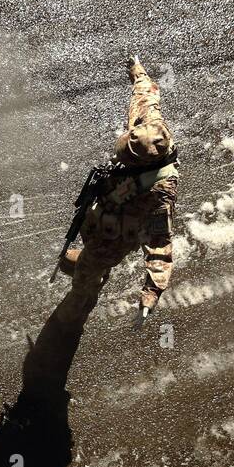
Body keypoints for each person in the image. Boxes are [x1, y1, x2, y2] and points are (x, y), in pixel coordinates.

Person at [56, 55, 179, 325]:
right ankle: (88, 260)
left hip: (116, 237)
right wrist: (137, 69)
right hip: (105, 210)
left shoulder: (160, 192)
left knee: (91, 267)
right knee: (90, 235)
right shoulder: (152, 128)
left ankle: (81, 299)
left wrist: (151, 294)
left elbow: (160, 245)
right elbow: (147, 94)